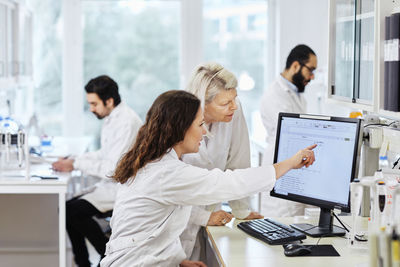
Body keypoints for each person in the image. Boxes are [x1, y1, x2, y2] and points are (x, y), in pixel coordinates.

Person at [100, 90, 316, 267]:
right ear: (180, 129)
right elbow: (230, 183)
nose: (205, 132)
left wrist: (179, 260)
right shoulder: (166, 172)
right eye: (200, 124)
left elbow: (153, 229)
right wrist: (289, 163)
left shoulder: (155, 162)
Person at [52, 75, 142, 267]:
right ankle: (86, 262)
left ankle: (108, 256)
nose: (91, 109)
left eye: (94, 104)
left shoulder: (126, 122)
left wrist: (75, 165)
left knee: (71, 211)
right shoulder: (112, 118)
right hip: (112, 185)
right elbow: (105, 153)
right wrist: (74, 160)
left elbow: (114, 169)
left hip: (124, 187)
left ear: (109, 101)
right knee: (67, 209)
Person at [181, 62, 262, 261]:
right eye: (225, 103)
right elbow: (168, 186)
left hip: (213, 215)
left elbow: (239, 163)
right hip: (179, 221)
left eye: (234, 99)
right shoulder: (178, 120)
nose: (233, 106)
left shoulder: (233, 111)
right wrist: (201, 217)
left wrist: (242, 210)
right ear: (203, 104)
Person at [259, 44, 317, 217]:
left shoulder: (297, 95)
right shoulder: (275, 95)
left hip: (294, 169)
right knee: (280, 225)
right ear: (295, 66)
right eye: (311, 70)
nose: (312, 76)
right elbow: (294, 133)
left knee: (296, 225)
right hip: (281, 170)